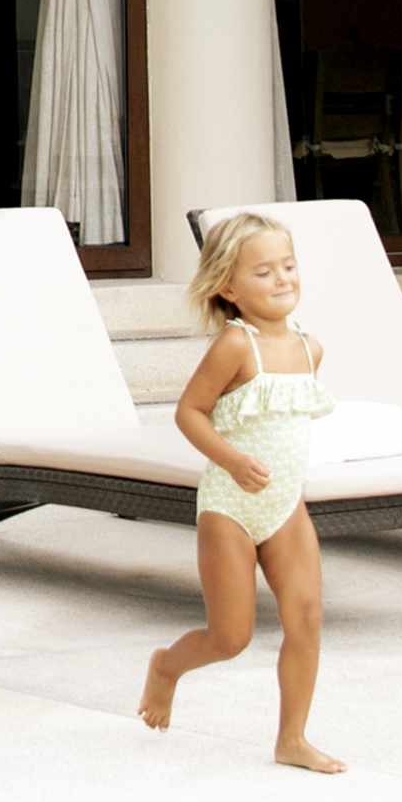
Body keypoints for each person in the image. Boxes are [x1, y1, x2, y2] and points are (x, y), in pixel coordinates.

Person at [137, 212, 343, 773]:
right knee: (231, 637)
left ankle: (292, 739)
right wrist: (230, 458)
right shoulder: (235, 345)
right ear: (228, 287)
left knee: (306, 619)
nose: (282, 280)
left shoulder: (310, 348)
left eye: (289, 266)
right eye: (264, 272)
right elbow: (189, 412)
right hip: (229, 507)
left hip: (284, 507)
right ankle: (167, 667)